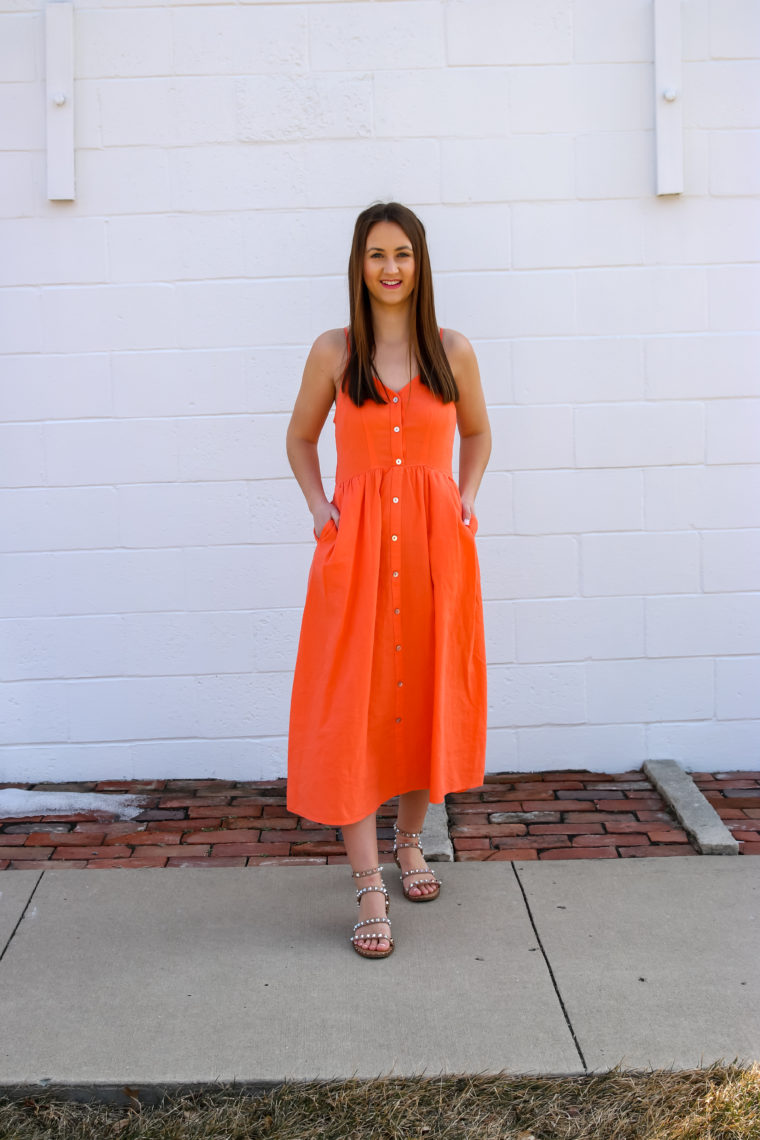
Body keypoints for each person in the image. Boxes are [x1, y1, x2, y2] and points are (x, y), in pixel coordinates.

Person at [285, 202, 491, 959]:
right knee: (354, 707)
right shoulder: (335, 353)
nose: (391, 267)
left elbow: (478, 432)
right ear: (359, 264)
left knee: (421, 693)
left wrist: (465, 496)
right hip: (360, 555)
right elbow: (300, 438)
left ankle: (410, 840)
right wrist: (321, 511)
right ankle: (368, 882)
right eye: (376, 254)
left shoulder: (453, 351)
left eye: (402, 253)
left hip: (436, 555)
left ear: (420, 262)